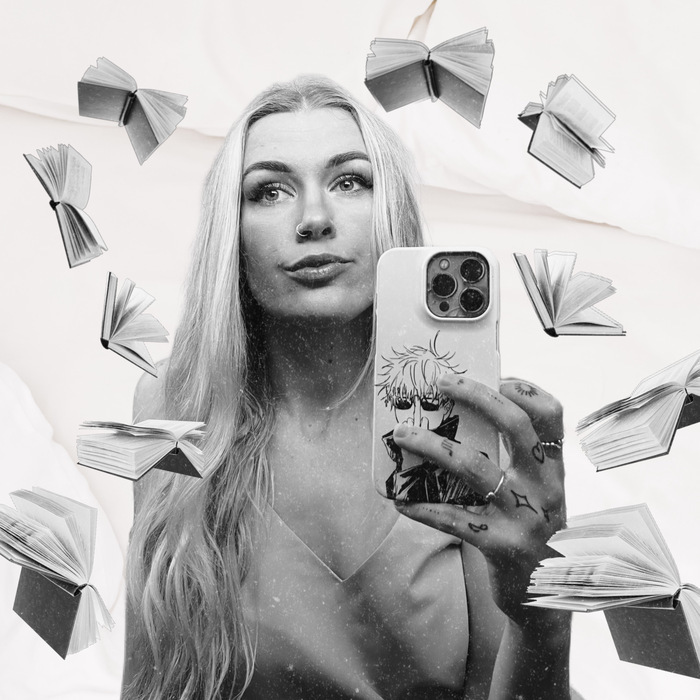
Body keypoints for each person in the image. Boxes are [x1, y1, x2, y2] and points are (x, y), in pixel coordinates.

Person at [122, 75, 571, 700]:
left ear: (392, 213)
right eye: (270, 190)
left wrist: (543, 613)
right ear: (231, 233)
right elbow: (153, 682)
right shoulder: (174, 406)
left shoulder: (466, 421)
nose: (314, 219)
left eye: (350, 181)